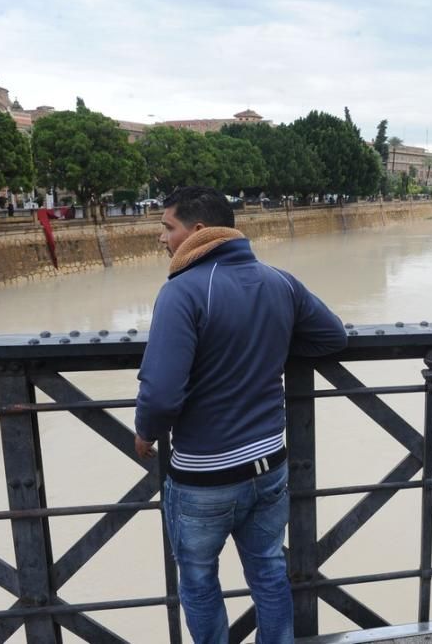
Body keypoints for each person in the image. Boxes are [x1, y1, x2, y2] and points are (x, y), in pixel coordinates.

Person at [134, 186, 348, 643]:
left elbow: (161, 393)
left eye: (166, 227)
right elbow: (332, 337)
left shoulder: (182, 291)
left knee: (197, 580)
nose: (161, 239)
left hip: (205, 477)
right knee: (269, 571)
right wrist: (272, 348)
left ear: (197, 231)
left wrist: (145, 433)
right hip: (270, 465)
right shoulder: (279, 281)